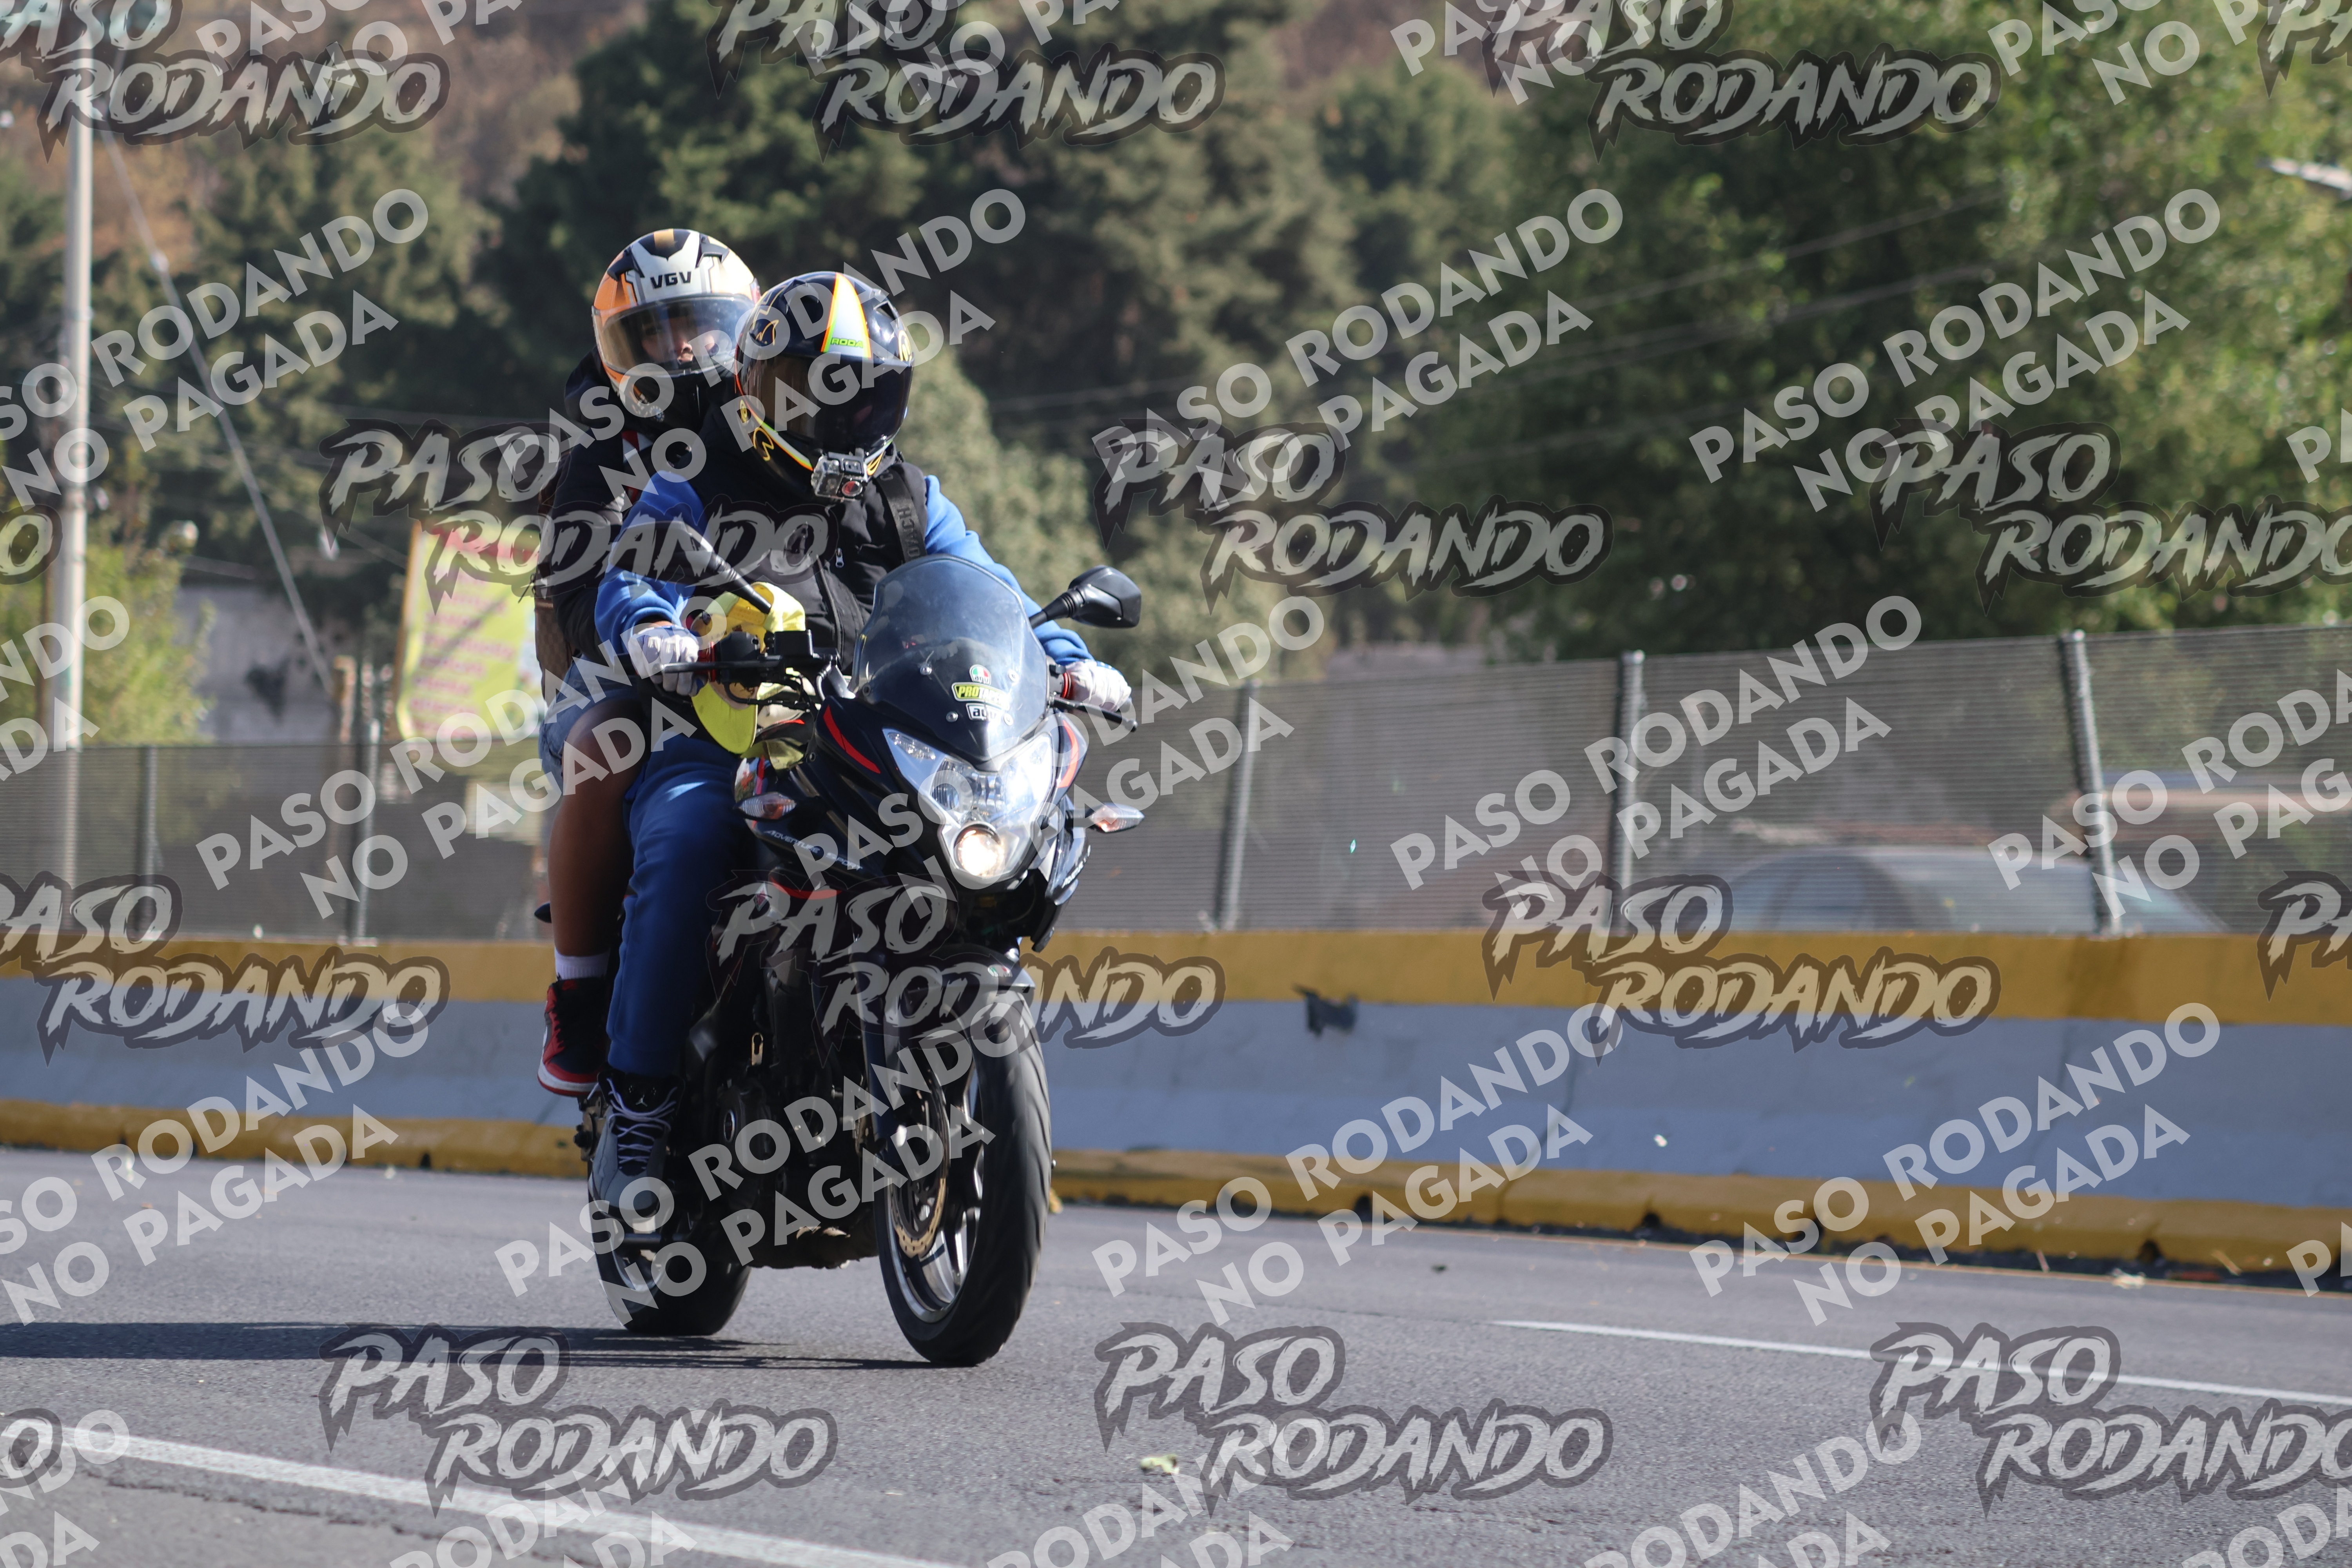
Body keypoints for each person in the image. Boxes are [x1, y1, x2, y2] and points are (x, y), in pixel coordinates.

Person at [587, 271, 1131, 1225]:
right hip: (729, 732)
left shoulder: (913, 498)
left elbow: (996, 592)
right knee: (684, 841)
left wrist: (1072, 660)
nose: (839, 417)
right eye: (813, 392)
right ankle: (640, 1110)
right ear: (758, 389)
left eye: (864, 395)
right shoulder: (702, 474)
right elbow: (635, 570)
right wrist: (652, 627)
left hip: (868, 737)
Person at [535, 230, 762, 1098]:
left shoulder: (776, 421)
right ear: (616, 350)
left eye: (702, 325)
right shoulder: (600, 451)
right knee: (603, 748)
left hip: (772, 666)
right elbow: (577, 599)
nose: (682, 351)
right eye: (654, 333)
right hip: (632, 676)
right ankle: (580, 988)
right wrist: (652, 639)